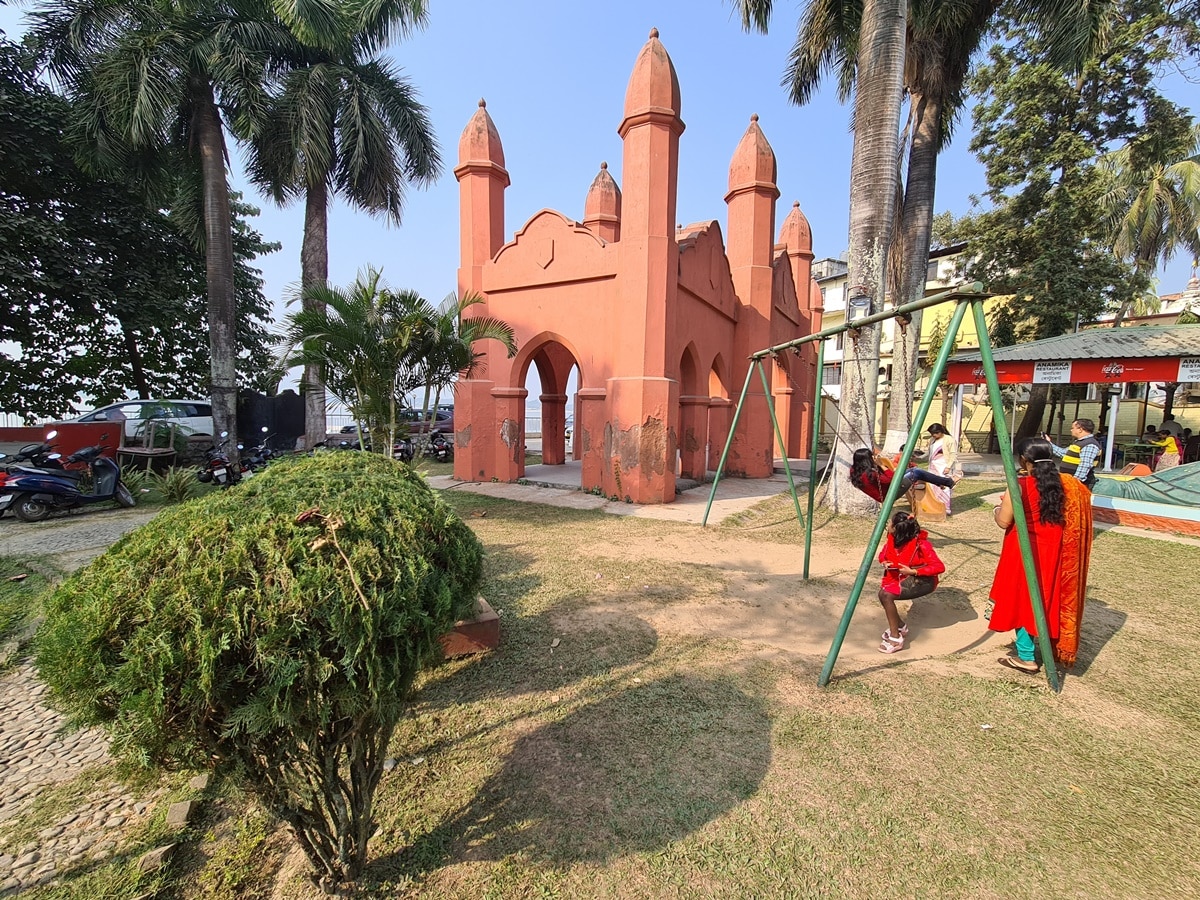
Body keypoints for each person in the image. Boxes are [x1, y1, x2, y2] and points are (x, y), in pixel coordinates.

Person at [988, 437, 1093, 673]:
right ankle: (1041, 645)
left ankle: (1026, 657)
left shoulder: (1020, 485)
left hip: (1023, 551)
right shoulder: (1067, 485)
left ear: (1024, 460)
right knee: (1045, 598)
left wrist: (997, 508)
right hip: (1055, 551)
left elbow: (1004, 521)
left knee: (1022, 601)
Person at [877, 510, 945, 654]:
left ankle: (896, 639)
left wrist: (914, 571)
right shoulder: (893, 539)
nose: (888, 525)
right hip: (900, 577)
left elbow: (939, 567)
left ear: (897, 529)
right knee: (882, 594)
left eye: (890, 523)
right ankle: (900, 627)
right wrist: (885, 562)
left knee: (887, 595)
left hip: (923, 581)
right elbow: (883, 553)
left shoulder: (921, 545)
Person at [848, 448, 956, 504]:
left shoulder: (854, 470)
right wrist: (881, 465)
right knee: (916, 472)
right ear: (867, 460)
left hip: (887, 489)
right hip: (889, 494)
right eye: (872, 456)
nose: (874, 457)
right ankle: (949, 482)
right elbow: (892, 479)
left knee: (912, 470)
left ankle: (940, 482)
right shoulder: (870, 474)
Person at [1044, 418, 1100, 488]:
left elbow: (1084, 465)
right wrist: (1048, 443)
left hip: (1077, 484)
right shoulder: (1079, 443)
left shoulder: (1090, 445)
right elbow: (1063, 453)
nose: (1071, 430)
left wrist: (1074, 483)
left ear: (1080, 429)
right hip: (1069, 481)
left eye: (1073, 428)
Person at [925, 424, 962, 516]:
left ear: (940, 431)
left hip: (944, 466)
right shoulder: (932, 440)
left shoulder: (949, 439)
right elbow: (929, 453)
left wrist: (948, 467)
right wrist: (919, 456)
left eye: (935, 433)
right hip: (933, 466)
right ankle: (935, 506)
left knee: (944, 485)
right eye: (932, 434)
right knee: (932, 485)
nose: (933, 435)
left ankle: (946, 507)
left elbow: (953, 454)